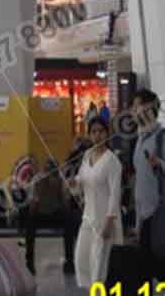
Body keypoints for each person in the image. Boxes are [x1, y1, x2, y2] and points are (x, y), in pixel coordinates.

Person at [72, 116, 123, 287]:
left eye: (101, 131)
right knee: (81, 259)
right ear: (89, 135)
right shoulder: (87, 155)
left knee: (99, 267)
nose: (97, 135)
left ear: (107, 133)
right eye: (94, 132)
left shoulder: (112, 161)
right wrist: (75, 183)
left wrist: (110, 221)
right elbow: (82, 180)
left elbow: (115, 194)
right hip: (87, 218)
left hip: (104, 220)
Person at [23, 157, 79, 276]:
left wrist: (59, 191)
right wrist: (41, 192)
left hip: (55, 214)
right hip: (40, 214)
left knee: (70, 220)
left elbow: (66, 204)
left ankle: (69, 262)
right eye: (48, 171)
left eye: (53, 172)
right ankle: (29, 262)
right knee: (29, 222)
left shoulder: (61, 181)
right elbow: (32, 205)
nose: (50, 175)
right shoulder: (37, 180)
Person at [131, 88, 165, 278]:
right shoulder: (140, 139)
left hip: (159, 212)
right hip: (144, 215)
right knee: (145, 270)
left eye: (138, 106)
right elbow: (139, 181)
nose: (134, 111)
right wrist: (137, 223)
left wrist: (159, 162)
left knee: (160, 269)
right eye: (133, 107)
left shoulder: (161, 137)